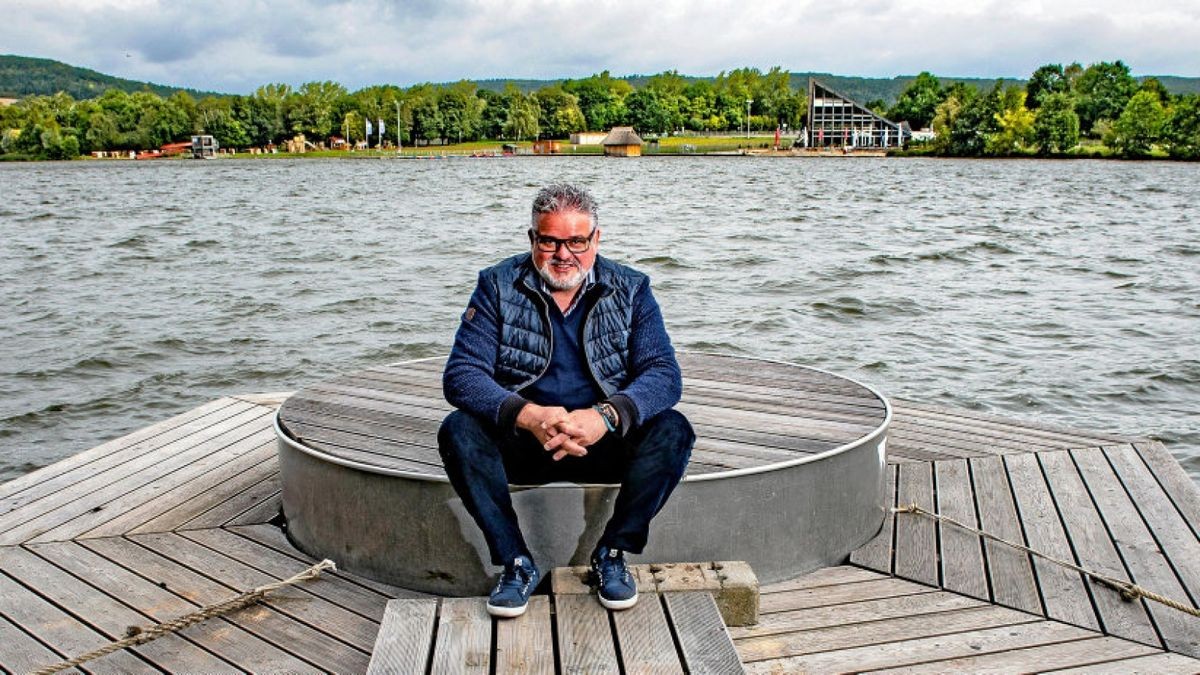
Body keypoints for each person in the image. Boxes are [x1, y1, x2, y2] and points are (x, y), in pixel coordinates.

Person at [439, 183, 694, 618]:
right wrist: (528, 415)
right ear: (532, 239)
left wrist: (606, 416)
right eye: (550, 241)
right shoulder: (496, 285)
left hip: (602, 441)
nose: (564, 254)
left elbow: (663, 375)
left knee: (674, 429)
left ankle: (612, 552)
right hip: (526, 441)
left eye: (577, 241)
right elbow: (462, 375)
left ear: (596, 239)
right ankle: (516, 562)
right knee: (458, 430)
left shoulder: (632, 288)